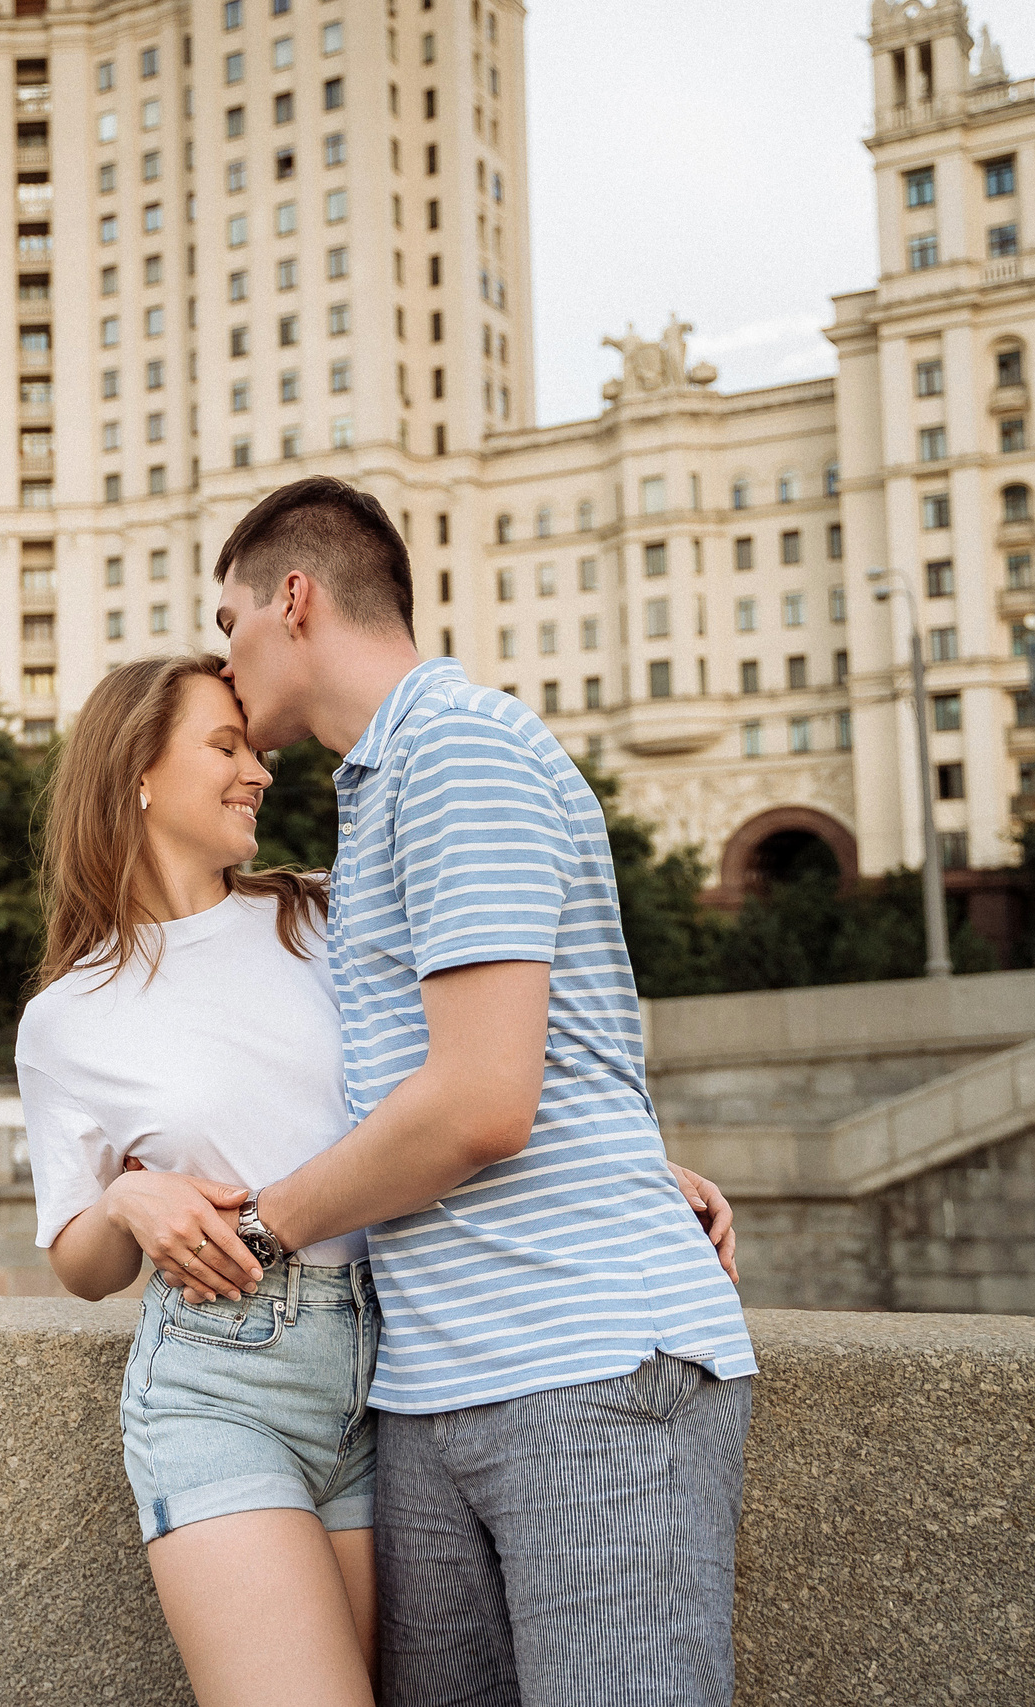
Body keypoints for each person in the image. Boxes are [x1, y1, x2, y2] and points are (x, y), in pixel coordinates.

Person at [16, 651, 740, 1707]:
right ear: (135, 770)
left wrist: (623, 1164)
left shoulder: (320, 915)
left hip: (393, 1381)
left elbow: (465, 1071)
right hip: (224, 1380)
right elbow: (78, 1265)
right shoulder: (66, 1016)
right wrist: (126, 1202)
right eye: (224, 747)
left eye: (253, 749)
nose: (258, 771)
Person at [208, 475, 760, 1707]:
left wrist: (261, 1231)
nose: (226, 658)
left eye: (230, 621)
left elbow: (477, 1104)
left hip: (581, 1365)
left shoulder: (460, 748)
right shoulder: (384, 785)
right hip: (431, 1384)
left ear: (292, 599)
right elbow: (477, 1070)